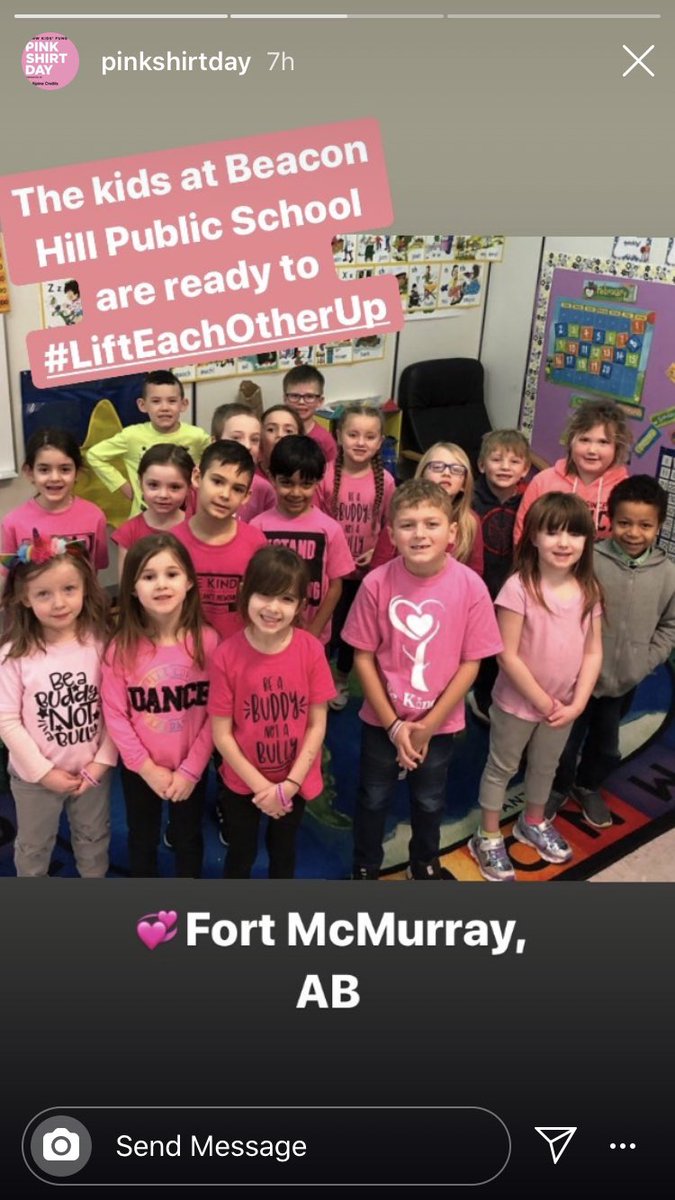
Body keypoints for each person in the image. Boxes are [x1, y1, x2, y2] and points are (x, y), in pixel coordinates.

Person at [342, 479, 502, 880]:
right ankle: (365, 866)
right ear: (391, 533)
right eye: (408, 525)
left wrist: (428, 726)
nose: (419, 534)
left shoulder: (471, 587)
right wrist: (395, 726)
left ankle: (424, 863)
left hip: (439, 721)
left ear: (452, 532)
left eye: (431, 524)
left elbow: (471, 663)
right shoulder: (377, 584)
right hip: (383, 718)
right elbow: (362, 657)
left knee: (430, 798)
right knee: (373, 796)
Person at [470, 493, 603, 882]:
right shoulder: (518, 588)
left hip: (563, 707)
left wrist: (577, 703)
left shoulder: (588, 588)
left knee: (546, 766)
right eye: (553, 532)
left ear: (586, 541)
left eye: (575, 534)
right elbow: (506, 655)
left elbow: (594, 652)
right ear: (533, 537)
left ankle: (532, 821)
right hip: (519, 704)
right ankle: (488, 834)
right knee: (502, 766)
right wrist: (544, 701)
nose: (564, 543)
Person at [547, 476, 675, 829]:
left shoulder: (668, 574)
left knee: (605, 747)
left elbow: (671, 624)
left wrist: (647, 660)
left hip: (624, 681)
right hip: (577, 678)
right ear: (610, 520)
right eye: (624, 522)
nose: (633, 533)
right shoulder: (588, 558)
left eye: (645, 525)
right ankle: (556, 788)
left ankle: (586, 786)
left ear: (659, 526)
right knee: (564, 742)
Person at [209, 546, 335, 877]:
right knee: (241, 852)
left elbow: (317, 724)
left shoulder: (310, 650)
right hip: (242, 782)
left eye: (286, 599)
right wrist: (262, 788)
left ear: (301, 606)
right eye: (264, 595)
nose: (273, 608)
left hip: (295, 778)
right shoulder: (226, 656)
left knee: (284, 851)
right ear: (244, 593)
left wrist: (290, 784)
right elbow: (221, 734)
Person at [101, 533, 218, 877]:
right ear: (133, 588)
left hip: (191, 767)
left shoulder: (209, 642)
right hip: (140, 770)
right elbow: (115, 715)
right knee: (143, 838)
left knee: (188, 838)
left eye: (171, 574)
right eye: (149, 576)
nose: (161, 585)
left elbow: (217, 714)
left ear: (190, 582)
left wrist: (191, 770)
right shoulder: (119, 648)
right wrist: (146, 768)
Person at [0, 536, 116, 876]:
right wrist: (43, 773)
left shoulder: (100, 642)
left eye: (69, 589)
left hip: (92, 773)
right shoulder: (12, 655)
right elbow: (7, 721)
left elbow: (115, 709)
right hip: (35, 779)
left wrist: (102, 762)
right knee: (35, 846)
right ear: (25, 598)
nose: (59, 603)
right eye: (44, 594)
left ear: (84, 588)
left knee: (94, 839)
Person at [315, 403, 395, 710]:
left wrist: (377, 551)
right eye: (353, 434)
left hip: (365, 575)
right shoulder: (324, 476)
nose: (361, 442)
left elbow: (390, 525)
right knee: (327, 629)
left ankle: (341, 678)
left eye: (370, 436)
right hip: (329, 573)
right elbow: (317, 522)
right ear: (339, 436)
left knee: (354, 631)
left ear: (380, 441)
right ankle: (319, 678)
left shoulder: (386, 481)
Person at [251, 436, 355, 646]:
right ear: (272, 478)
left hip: (313, 637)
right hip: (265, 632)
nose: (296, 492)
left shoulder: (331, 529)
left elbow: (336, 586)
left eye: (306, 484)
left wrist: (314, 631)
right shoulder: (257, 527)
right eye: (287, 483)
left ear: (318, 481)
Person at [172, 441, 266, 641]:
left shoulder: (256, 541)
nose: (225, 495)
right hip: (184, 653)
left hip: (239, 654)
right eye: (217, 481)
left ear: (247, 496)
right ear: (197, 477)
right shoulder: (172, 543)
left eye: (237, 489)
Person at [86, 370, 210, 517]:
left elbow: (215, 462)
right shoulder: (131, 436)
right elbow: (94, 455)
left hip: (187, 517)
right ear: (142, 405)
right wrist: (121, 485)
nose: (164, 408)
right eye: (156, 401)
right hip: (142, 517)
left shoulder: (197, 437)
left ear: (183, 404)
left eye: (172, 401)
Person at [469, 429, 531, 722]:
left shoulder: (529, 501)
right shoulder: (470, 498)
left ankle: (490, 696)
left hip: (512, 588)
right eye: (497, 459)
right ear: (482, 465)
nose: (505, 467)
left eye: (514, 461)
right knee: (473, 645)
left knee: (502, 647)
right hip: (476, 588)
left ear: (525, 468)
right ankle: (473, 695)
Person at [514, 398, 631, 543]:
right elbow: (522, 535)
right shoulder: (543, 482)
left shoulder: (627, 491)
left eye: (603, 442)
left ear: (616, 448)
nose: (592, 450)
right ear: (571, 442)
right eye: (584, 440)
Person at [1, 428, 108, 571]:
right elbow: (9, 576)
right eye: (44, 470)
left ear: (77, 472)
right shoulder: (12, 523)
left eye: (65, 469)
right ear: (29, 472)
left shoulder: (95, 516)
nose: (55, 478)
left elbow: (95, 567)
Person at [112, 444, 193, 580]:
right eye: (153, 485)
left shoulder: (196, 528)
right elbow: (125, 587)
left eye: (174, 487)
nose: (163, 494)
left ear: (189, 486)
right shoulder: (129, 532)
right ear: (140, 482)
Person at [207, 403, 275, 522]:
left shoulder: (264, 489)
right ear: (215, 442)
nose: (247, 446)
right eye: (236, 438)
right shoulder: (199, 483)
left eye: (254, 439)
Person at [282, 365, 337, 464]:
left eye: (309, 396)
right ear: (285, 398)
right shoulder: (276, 435)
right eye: (294, 396)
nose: (302, 402)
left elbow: (333, 473)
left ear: (320, 401)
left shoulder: (325, 440)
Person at [259, 405, 303, 478]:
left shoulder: (307, 477)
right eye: (271, 430)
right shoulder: (249, 477)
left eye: (288, 431)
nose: (280, 435)